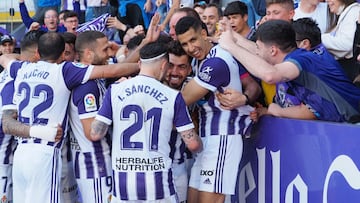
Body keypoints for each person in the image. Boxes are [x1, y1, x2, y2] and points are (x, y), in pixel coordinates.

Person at [0, 32, 139, 203]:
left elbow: (5, 58)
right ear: (61, 55)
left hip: (21, 152)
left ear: (37, 53)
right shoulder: (64, 70)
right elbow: (111, 70)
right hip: (45, 152)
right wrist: (140, 67)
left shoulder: (21, 68)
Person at [89, 41, 202, 202]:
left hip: (123, 185)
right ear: (164, 65)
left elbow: (95, 133)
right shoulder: (173, 96)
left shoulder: (115, 90)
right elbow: (193, 145)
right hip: (158, 183)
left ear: (140, 63)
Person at [175, 16, 255, 203]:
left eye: (193, 40)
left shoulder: (217, 62)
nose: (190, 48)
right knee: (193, 199)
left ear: (204, 34)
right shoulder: (199, 59)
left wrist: (245, 99)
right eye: (184, 44)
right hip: (206, 138)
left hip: (223, 137)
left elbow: (183, 99)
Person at [218, 19, 360, 122]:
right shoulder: (294, 57)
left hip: (354, 122)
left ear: (273, 50)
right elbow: (258, 53)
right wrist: (234, 36)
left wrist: (231, 46)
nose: (257, 52)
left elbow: (270, 75)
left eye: (259, 48)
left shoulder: (303, 60)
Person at [68, 31, 113, 203]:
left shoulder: (94, 79)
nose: (109, 53)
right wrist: (112, 100)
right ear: (88, 53)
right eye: (105, 49)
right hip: (95, 165)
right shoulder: (87, 86)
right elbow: (92, 133)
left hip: (97, 163)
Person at [321, 0, 360, 80]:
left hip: (351, 69)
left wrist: (318, 38)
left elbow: (347, 44)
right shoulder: (347, 12)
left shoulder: (354, 12)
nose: (327, 0)